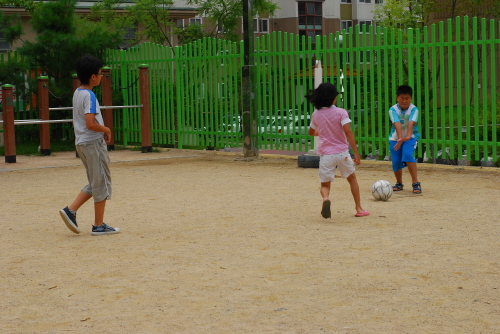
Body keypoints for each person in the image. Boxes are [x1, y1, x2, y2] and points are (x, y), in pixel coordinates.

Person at [59, 54, 120, 235]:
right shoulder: (90, 96)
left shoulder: (78, 93)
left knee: (95, 181)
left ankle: (71, 211)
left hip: (82, 143)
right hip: (92, 142)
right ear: (93, 76)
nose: (101, 77)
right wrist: (106, 130)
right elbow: (90, 123)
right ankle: (98, 225)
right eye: (100, 74)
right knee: (101, 182)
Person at [307, 82, 369, 219]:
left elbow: (311, 132)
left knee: (325, 184)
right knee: (352, 179)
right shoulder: (341, 112)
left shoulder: (316, 114)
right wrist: (357, 153)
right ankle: (359, 208)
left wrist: (320, 132)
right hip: (342, 153)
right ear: (333, 98)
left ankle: (325, 199)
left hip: (326, 155)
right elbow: (348, 132)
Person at [388, 85, 422, 194]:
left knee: (408, 155)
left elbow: (411, 123)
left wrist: (406, 137)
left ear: (411, 98)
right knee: (396, 161)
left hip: (411, 137)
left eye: (407, 98)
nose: (404, 100)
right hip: (395, 138)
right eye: (402, 98)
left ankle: (415, 183)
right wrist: (400, 138)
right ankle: (399, 183)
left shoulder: (414, 109)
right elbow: (397, 124)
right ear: (397, 97)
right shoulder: (393, 109)